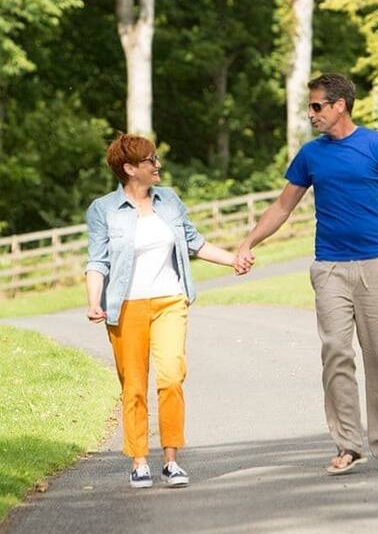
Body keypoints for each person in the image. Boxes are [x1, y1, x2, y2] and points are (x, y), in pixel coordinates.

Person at [235, 73, 378, 474]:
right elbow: (282, 208)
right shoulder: (311, 156)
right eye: (310, 107)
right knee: (336, 354)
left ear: (339, 105)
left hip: (375, 265)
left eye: (317, 106)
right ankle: (348, 444)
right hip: (329, 268)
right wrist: (249, 243)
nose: (311, 114)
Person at [85, 133, 250, 489]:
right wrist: (93, 300)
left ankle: (171, 460)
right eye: (150, 161)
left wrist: (232, 260)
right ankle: (140, 460)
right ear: (130, 169)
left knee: (172, 376)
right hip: (126, 307)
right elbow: (97, 261)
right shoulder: (103, 210)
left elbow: (195, 242)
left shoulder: (170, 201)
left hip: (170, 300)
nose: (157, 165)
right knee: (134, 386)